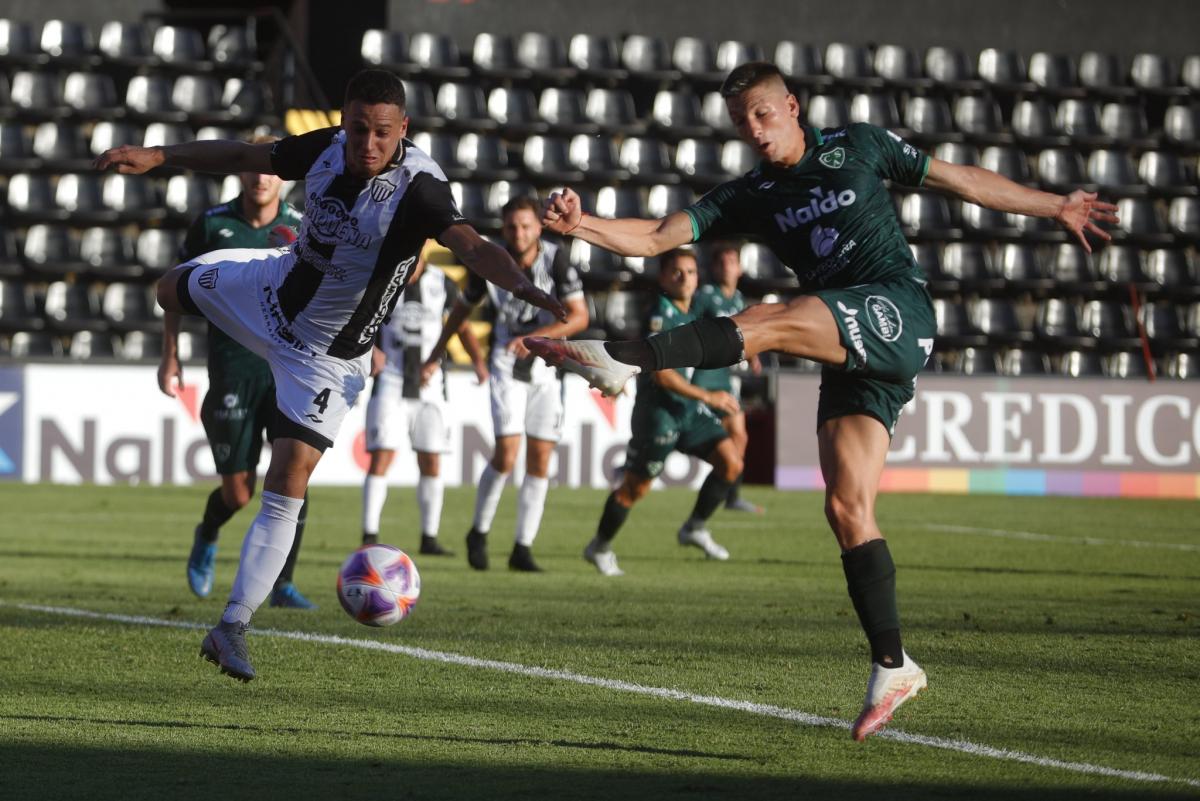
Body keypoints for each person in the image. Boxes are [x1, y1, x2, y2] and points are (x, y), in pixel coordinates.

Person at [528, 61, 1117, 740]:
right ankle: (893, 662)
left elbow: (964, 181)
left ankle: (628, 359)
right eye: (740, 120)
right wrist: (581, 226)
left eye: (762, 113)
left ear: (793, 106)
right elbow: (660, 235)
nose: (753, 129)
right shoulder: (750, 193)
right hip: (848, 347)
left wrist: (1057, 206)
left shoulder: (860, 146)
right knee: (846, 508)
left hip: (895, 310)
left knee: (774, 314)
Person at [96, 68, 565, 682]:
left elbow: (473, 248)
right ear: (343, 122)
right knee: (166, 289)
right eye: (356, 129)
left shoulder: (419, 189)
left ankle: (231, 626)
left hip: (327, 356)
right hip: (269, 291)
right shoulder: (322, 149)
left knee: (288, 476)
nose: (366, 144)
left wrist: (525, 286)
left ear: (404, 131)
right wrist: (160, 154)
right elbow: (242, 153)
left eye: (380, 133)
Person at [158, 134, 316, 609]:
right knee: (240, 492)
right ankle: (207, 533)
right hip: (231, 369)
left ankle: (283, 584)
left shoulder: (303, 227)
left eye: (271, 169)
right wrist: (170, 353)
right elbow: (177, 286)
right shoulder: (212, 225)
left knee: (294, 473)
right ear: (241, 172)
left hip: (288, 368)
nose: (261, 176)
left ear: (282, 177)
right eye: (254, 167)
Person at [425, 196, 588, 572]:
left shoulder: (557, 258)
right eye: (512, 227)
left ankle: (522, 547)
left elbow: (579, 317)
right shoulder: (492, 262)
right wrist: (437, 351)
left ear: (539, 227)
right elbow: (462, 309)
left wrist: (541, 339)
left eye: (527, 226)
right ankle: (479, 532)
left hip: (545, 365)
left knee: (541, 458)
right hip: (506, 360)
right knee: (508, 453)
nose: (519, 233)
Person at [582, 248, 743, 578]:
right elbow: (662, 374)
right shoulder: (660, 315)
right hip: (658, 415)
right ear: (663, 277)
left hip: (686, 411)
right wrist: (707, 395)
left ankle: (694, 528)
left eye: (691, 271)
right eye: (677, 272)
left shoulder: (694, 312)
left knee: (731, 462)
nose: (685, 278)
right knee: (634, 489)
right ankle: (598, 547)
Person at [361, 247, 487, 554]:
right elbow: (359, 322)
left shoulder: (441, 282)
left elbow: (460, 323)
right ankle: (369, 535)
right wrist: (369, 351)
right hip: (390, 381)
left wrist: (478, 361)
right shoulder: (380, 280)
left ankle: (429, 537)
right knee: (382, 457)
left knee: (431, 459)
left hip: (431, 387)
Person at [691, 242, 764, 514]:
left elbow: (743, 333)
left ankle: (732, 495)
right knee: (682, 435)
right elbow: (691, 325)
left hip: (723, 379)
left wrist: (753, 354)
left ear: (740, 268)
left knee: (739, 435)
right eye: (722, 262)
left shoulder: (738, 299)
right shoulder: (706, 295)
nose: (727, 267)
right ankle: (631, 464)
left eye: (732, 262)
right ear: (713, 268)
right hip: (702, 378)